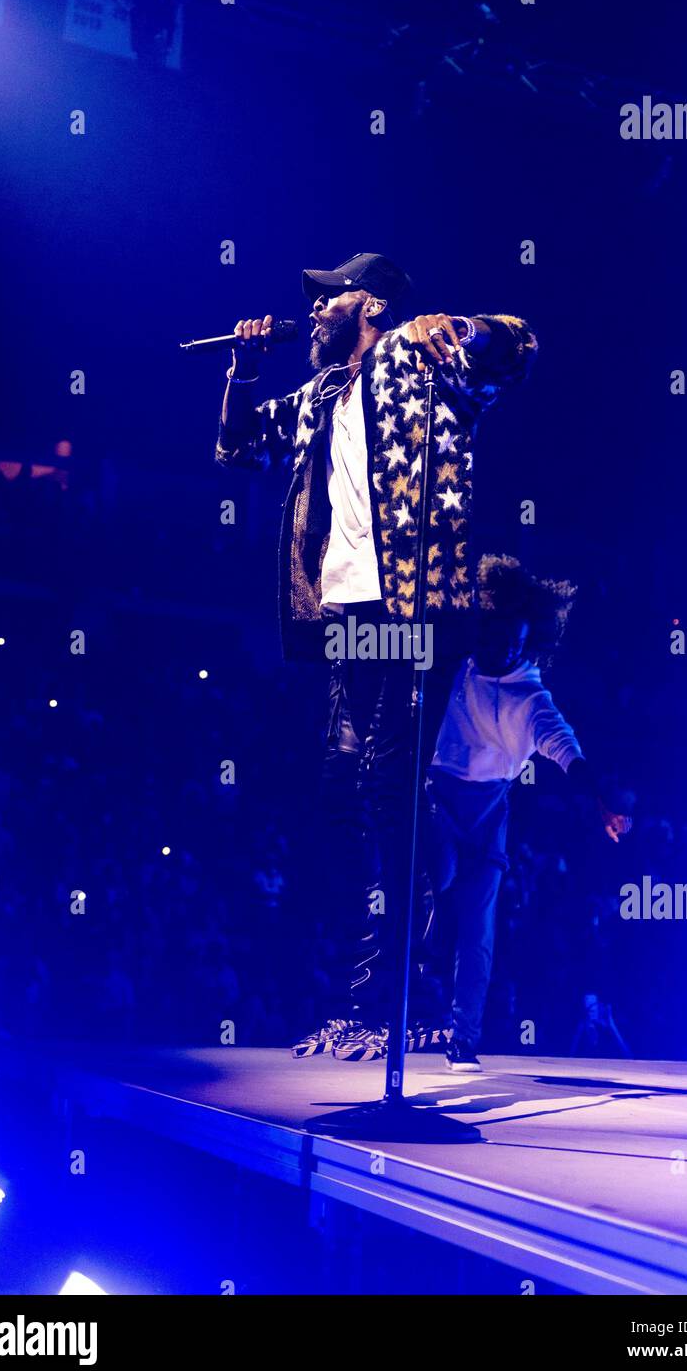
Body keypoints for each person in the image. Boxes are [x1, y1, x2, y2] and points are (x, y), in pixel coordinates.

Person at [214, 253, 538, 1061]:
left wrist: (458, 328)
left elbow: (519, 345)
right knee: (351, 791)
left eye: (329, 297)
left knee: (386, 787)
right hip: (343, 618)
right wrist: (242, 372)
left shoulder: (416, 366)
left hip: (414, 611)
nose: (314, 309)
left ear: (374, 303)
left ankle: (394, 999)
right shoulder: (319, 398)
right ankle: (386, 984)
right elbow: (238, 448)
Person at [426, 554, 632, 1072]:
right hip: (439, 799)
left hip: (491, 812)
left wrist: (601, 801)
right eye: (500, 642)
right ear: (484, 630)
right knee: (436, 880)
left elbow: (568, 752)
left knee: (479, 929)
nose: (507, 652)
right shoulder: (457, 667)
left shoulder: (531, 696)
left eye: (518, 646)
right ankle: (409, 987)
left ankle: (462, 1039)